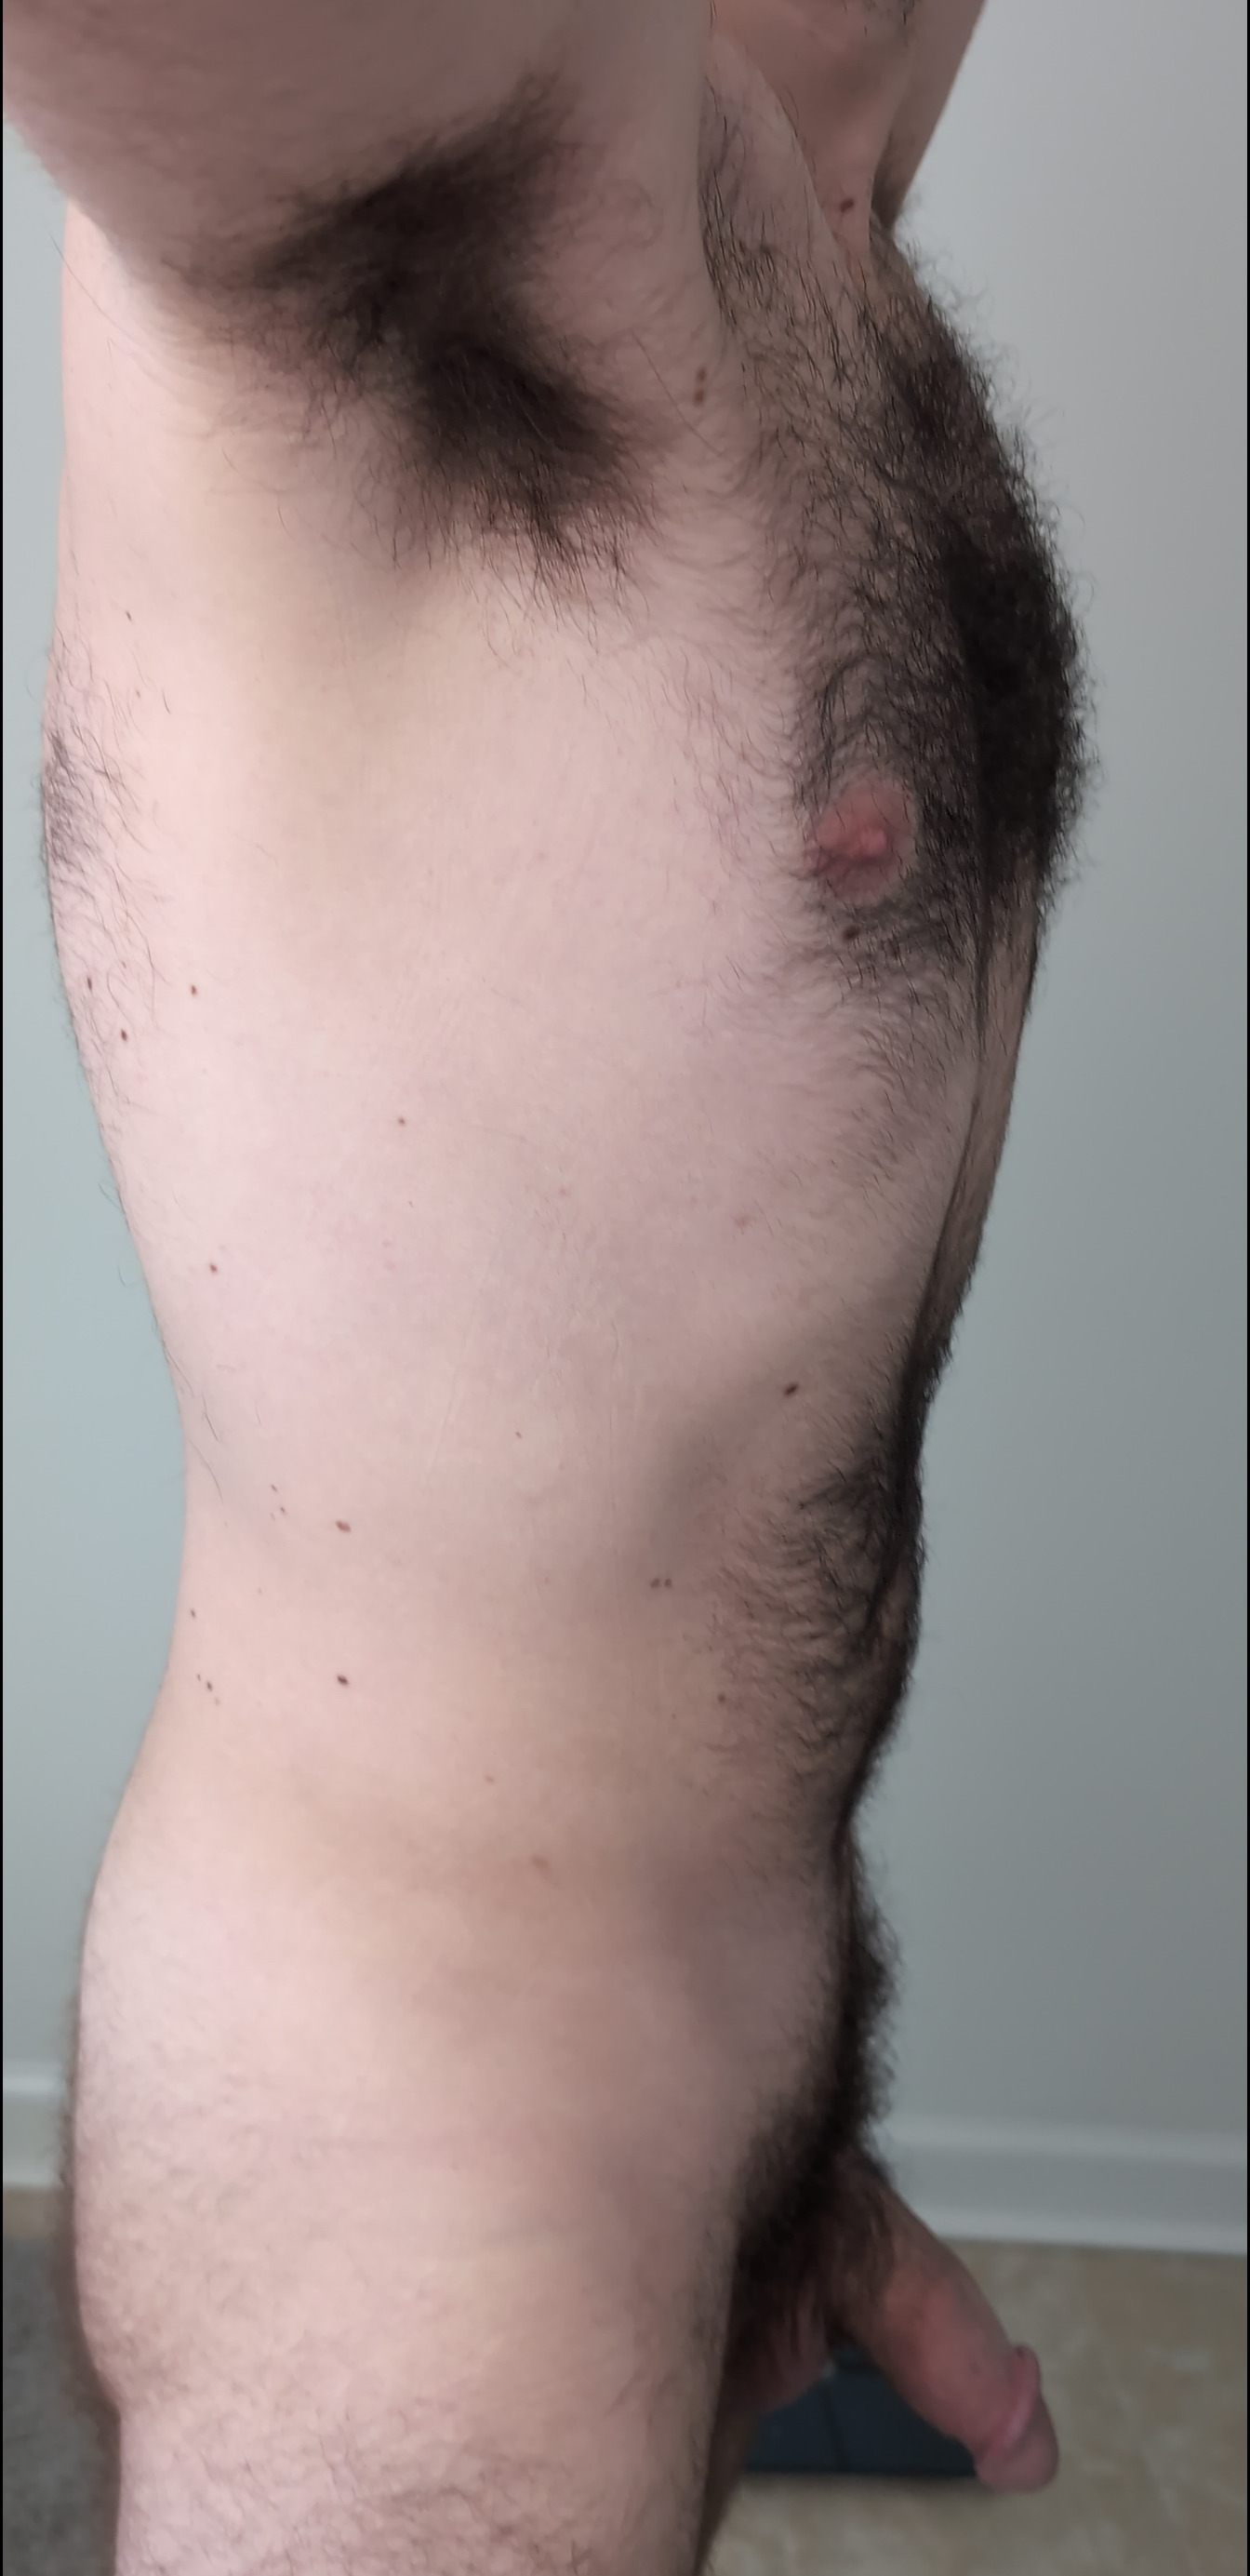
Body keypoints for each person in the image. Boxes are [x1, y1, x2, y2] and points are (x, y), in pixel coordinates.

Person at [6, 3, 1087, 2566]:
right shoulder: (462, 146)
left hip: (687, 2113)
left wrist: (759, 2138)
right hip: (406, 2253)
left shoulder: (811, 229)